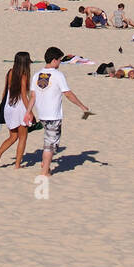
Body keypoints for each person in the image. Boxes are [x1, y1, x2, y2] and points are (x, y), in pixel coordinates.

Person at [28, 47, 91, 177]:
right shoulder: (57, 75)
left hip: (42, 115)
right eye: (60, 61)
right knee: (50, 145)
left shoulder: (36, 75)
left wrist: (28, 112)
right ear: (54, 60)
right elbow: (67, 93)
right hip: (53, 115)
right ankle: (45, 171)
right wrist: (82, 106)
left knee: (51, 142)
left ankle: (45, 163)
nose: (60, 64)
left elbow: (33, 96)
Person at [0, 51, 34, 168]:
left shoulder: (10, 72)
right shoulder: (24, 75)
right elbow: (23, 96)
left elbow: (5, 90)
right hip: (19, 108)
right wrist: (30, 112)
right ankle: (17, 165)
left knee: (13, 136)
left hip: (9, 106)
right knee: (23, 137)